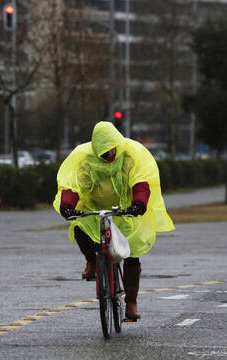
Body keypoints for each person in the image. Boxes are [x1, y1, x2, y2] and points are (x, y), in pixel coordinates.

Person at [54, 121, 175, 321]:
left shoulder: (129, 157)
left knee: (132, 255)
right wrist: (67, 205)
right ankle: (92, 262)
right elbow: (74, 186)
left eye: (110, 152)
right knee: (79, 227)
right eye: (102, 154)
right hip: (94, 209)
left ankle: (131, 303)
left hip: (126, 210)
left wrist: (138, 204)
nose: (107, 157)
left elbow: (140, 182)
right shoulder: (87, 161)